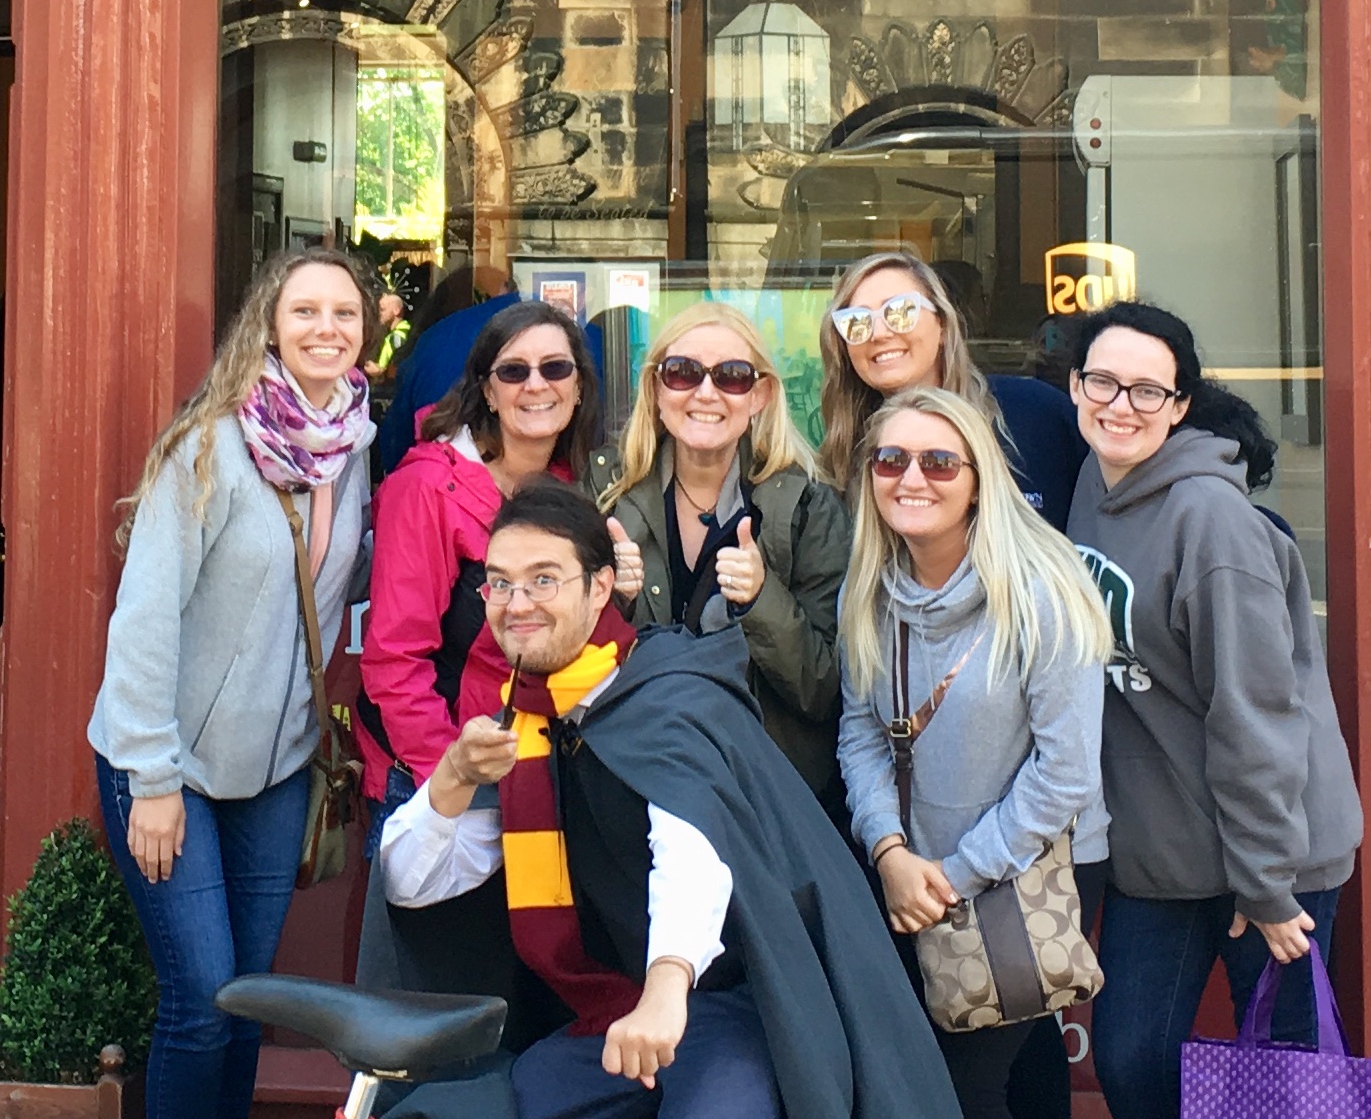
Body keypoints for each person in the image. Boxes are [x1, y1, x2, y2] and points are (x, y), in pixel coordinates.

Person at [379, 478, 964, 1119]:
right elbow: (412, 885)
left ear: (599, 587)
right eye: (500, 582)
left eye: (544, 579)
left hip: (748, 1004)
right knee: (500, 1101)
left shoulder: (665, 693)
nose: (518, 603)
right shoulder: (521, 721)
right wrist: (453, 779)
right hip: (615, 1014)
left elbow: (692, 849)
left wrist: (665, 989)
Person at [87, 247, 380, 1119]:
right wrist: (152, 779)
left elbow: (339, 590)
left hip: (278, 765)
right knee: (204, 1000)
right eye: (305, 312)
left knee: (251, 1001)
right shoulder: (212, 444)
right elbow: (144, 615)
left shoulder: (354, 446)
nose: (326, 329)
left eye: (344, 314)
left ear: (366, 332)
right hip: (167, 764)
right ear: (270, 325)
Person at [1064, 301, 1363, 1119]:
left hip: (1273, 847)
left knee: (1285, 1084)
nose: (1119, 405)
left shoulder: (1212, 524)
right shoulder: (1094, 484)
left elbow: (1256, 713)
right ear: (1073, 384)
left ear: (1179, 404)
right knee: (1129, 1063)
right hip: (1164, 851)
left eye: (1145, 390)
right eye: (1102, 382)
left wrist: (1266, 884)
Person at [817, 249, 1090, 1114]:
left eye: (939, 464)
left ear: (978, 477)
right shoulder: (877, 581)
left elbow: (1065, 769)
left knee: (979, 1087)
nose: (912, 479)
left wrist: (950, 877)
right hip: (903, 882)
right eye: (890, 463)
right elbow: (861, 728)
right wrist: (893, 858)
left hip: (1002, 885)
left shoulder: (1037, 586)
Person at [355, 300, 601, 1006]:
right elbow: (394, 659)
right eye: (513, 370)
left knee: (516, 1008)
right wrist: (450, 781)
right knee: (425, 1006)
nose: (535, 385)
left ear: (578, 386)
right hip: (442, 787)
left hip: (537, 786)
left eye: (554, 368)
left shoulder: (566, 490)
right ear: (485, 388)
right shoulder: (425, 485)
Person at [583, 302, 851, 809]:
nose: (705, 393)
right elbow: (563, 663)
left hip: (765, 796)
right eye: (683, 373)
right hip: (632, 783)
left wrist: (761, 600)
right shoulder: (604, 492)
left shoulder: (809, 506)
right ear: (657, 388)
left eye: (731, 376)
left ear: (761, 395)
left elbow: (826, 691)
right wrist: (610, 603)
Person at [817, 250, 1087, 532]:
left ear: (943, 324)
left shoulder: (1035, 414)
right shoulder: (845, 461)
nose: (879, 333)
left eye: (900, 311)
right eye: (856, 321)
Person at [377, 288, 522, 471]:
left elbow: (395, 449)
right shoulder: (444, 340)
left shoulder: (438, 339)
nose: (536, 385)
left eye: (553, 368)